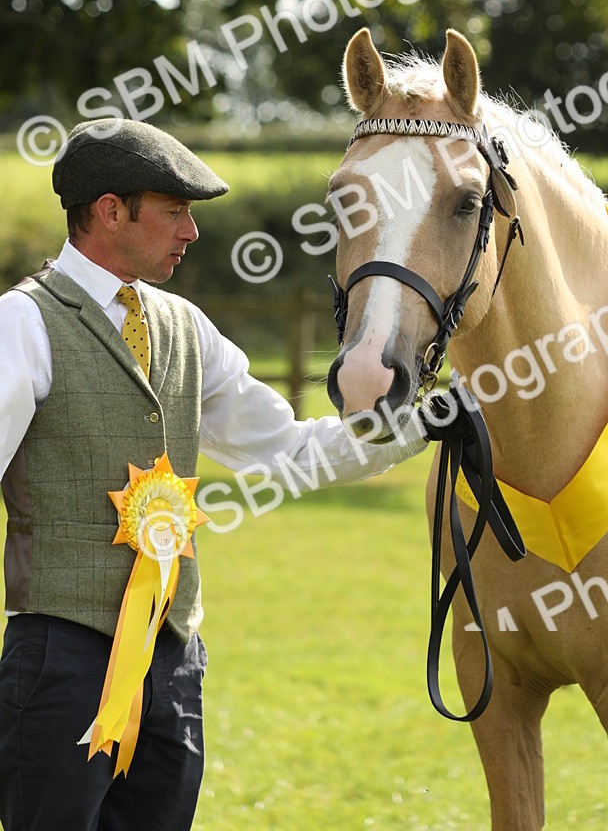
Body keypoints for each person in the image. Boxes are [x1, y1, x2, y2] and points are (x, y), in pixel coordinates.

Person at [0, 117, 428, 831]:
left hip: (175, 660)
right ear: (110, 211)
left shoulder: (185, 326)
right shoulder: (21, 324)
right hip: (60, 661)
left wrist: (420, 424)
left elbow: (287, 450)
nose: (191, 233)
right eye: (174, 212)